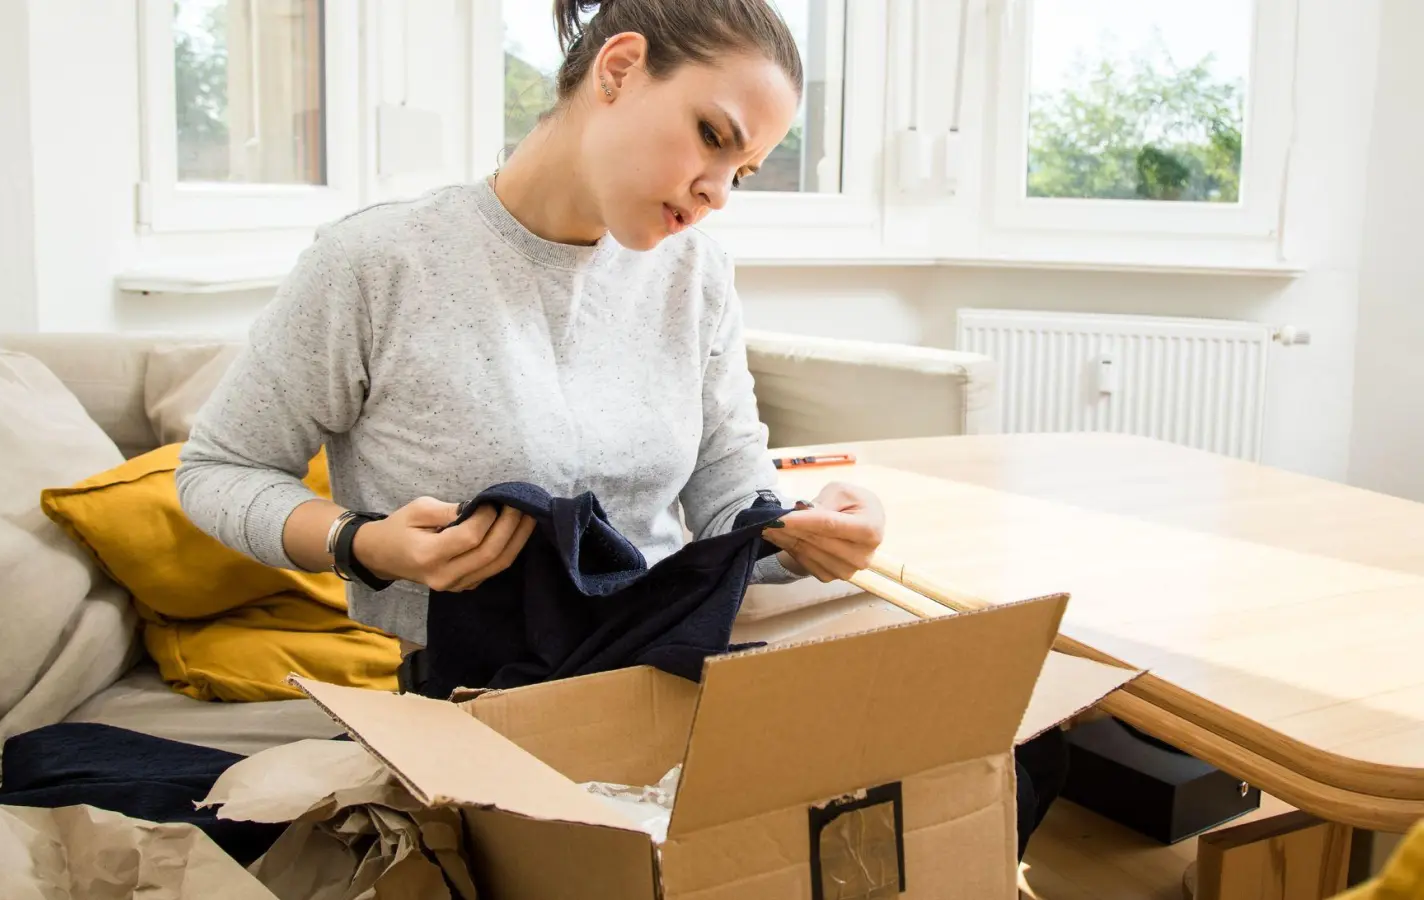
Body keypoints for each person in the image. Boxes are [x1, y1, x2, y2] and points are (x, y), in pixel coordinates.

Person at [176, 0, 1059, 857]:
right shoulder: (378, 263)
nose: (716, 193)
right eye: (713, 137)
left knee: (1004, 723)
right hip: (486, 701)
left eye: (742, 172)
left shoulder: (695, 272)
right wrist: (361, 543)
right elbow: (217, 469)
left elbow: (725, 476)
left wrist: (798, 528)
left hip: (671, 661)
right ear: (621, 69)